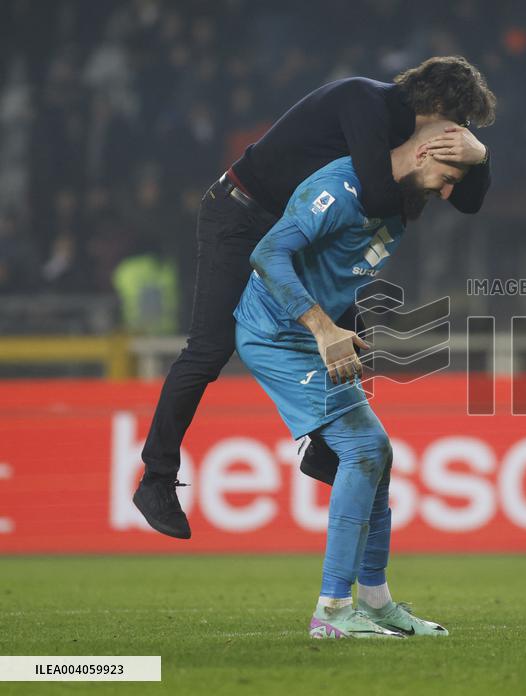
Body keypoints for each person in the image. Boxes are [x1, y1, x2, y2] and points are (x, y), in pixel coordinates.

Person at [133, 56, 496, 539]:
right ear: (434, 106)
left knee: (357, 335)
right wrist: (458, 156)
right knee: (209, 350)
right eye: (458, 124)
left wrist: (482, 158)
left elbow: (466, 201)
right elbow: (378, 198)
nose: (459, 137)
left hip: (296, 228)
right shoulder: (362, 101)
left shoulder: (414, 139)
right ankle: (155, 479)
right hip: (240, 215)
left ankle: (321, 445)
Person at [235, 119, 467, 639]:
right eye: (448, 174)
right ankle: (333, 611)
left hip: (318, 335)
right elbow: (267, 253)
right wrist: (322, 328)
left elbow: (464, 185)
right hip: (281, 334)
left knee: (376, 453)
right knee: (363, 449)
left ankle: (377, 602)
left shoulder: (402, 197)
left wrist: (475, 151)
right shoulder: (338, 191)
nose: (450, 191)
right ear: (425, 151)